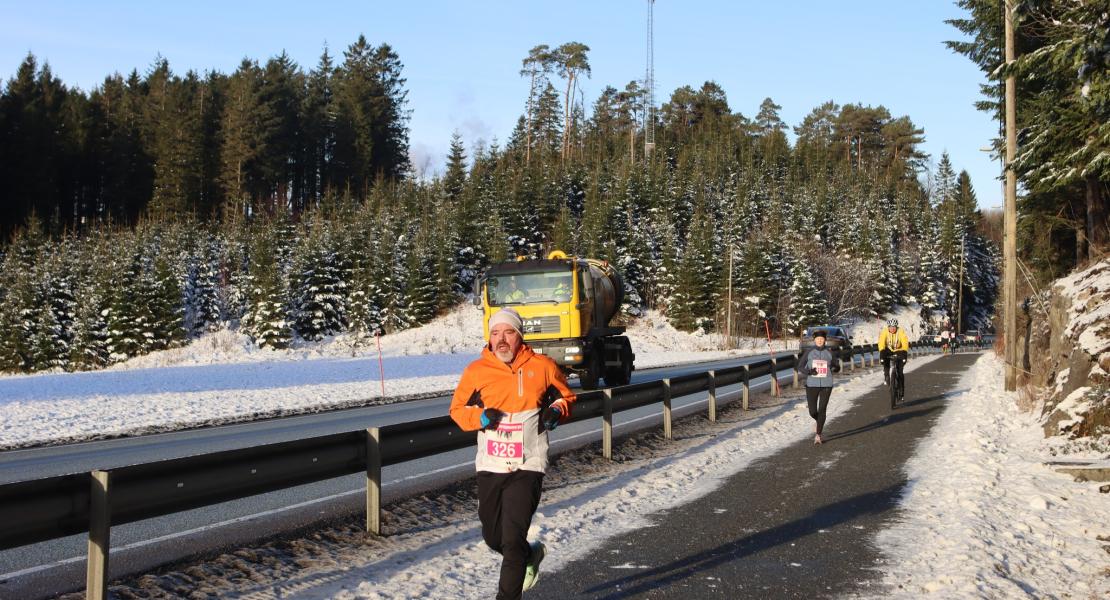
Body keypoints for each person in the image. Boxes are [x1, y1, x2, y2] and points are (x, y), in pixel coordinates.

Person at [449, 308, 576, 599]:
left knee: (512, 536)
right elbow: (456, 410)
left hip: (529, 462)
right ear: (489, 339)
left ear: (519, 336)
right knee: (495, 538)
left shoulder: (542, 366)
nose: (501, 340)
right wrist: (479, 418)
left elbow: (566, 396)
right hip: (491, 463)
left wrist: (557, 410)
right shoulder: (476, 371)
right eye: (495, 334)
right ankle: (529, 554)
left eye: (508, 333)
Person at [796, 329, 841, 445]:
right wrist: (809, 371)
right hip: (812, 384)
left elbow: (837, 366)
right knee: (812, 411)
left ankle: (818, 435)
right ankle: (818, 421)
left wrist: (835, 368)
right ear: (814, 340)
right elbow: (800, 367)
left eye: (822, 339)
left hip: (827, 384)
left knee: (822, 409)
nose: (820, 341)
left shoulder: (830, 353)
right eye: (817, 339)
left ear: (825, 340)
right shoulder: (809, 352)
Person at [878, 318, 910, 388]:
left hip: (899, 350)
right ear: (888, 327)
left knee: (900, 370)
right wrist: (882, 350)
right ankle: (886, 376)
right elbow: (881, 342)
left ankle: (901, 389)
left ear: (896, 327)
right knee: (884, 359)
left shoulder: (900, 331)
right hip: (888, 350)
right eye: (891, 327)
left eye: (894, 327)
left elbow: (905, 341)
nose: (892, 329)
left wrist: (904, 350)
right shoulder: (885, 331)